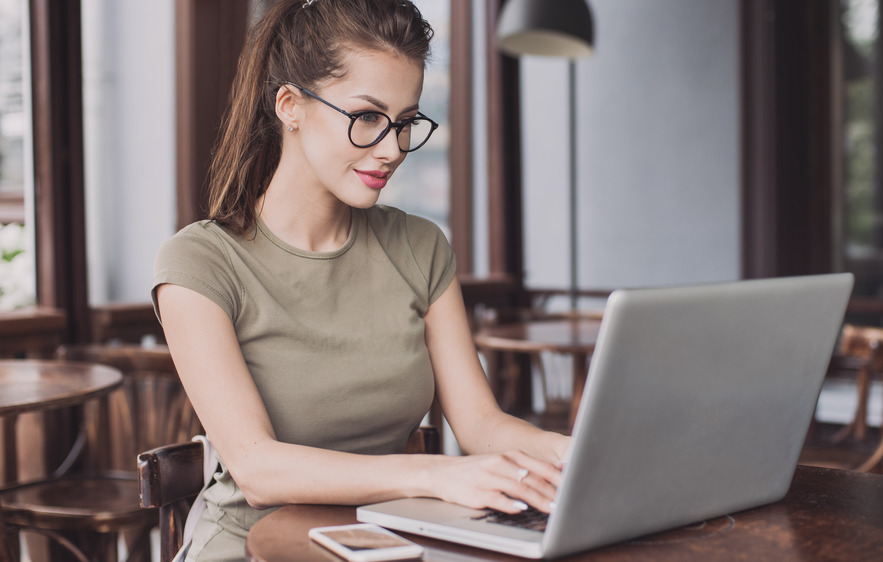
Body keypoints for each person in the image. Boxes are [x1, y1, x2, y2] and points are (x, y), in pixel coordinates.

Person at [152, 0, 570, 559]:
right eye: (367, 118)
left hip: (382, 545)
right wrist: (432, 476)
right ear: (290, 106)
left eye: (404, 123)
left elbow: (480, 424)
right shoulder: (201, 262)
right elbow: (257, 469)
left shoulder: (421, 247)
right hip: (251, 548)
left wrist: (571, 452)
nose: (392, 149)